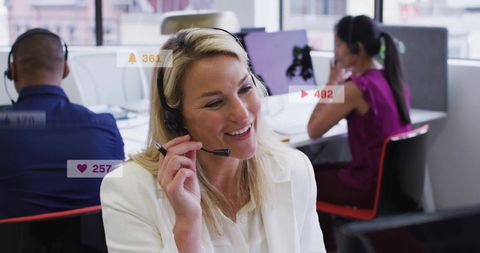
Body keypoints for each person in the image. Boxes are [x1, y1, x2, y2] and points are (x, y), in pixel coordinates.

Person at [100, 28, 326, 253]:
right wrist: (187, 229)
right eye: (215, 103)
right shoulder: (129, 191)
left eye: (245, 88)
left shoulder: (294, 168)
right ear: (175, 119)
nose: (242, 113)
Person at [0, 28, 125, 219]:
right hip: (92, 247)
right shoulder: (104, 127)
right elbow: (117, 198)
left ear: (13, 70)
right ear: (66, 69)